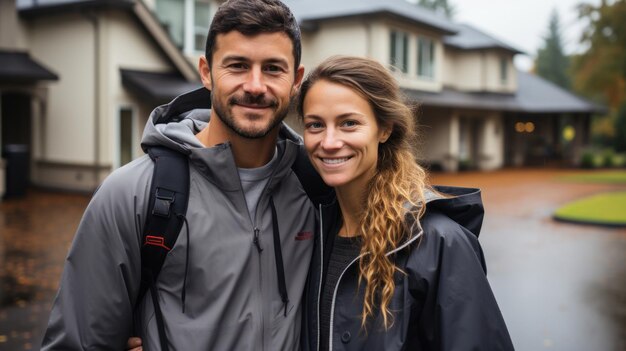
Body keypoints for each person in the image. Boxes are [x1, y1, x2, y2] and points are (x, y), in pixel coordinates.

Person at [41, 0, 328, 350]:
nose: (255, 86)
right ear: (206, 72)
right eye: (237, 66)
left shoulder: (320, 191)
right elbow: (78, 342)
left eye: (273, 69)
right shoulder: (133, 193)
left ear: (296, 79)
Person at [296, 56, 514, 350]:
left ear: (384, 129)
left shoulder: (439, 242)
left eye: (349, 123)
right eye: (315, 125)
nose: (330, 141)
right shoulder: (309, 232)